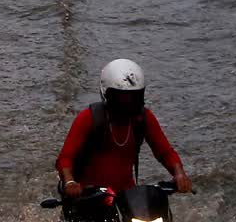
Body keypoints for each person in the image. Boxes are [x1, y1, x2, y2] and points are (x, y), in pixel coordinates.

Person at [55, 59, 192, 210]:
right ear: (107, 95)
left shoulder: (144, 119)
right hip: (88, 197)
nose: (128, 103)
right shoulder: (88, 118)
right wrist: (69, 182)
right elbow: (65, 158)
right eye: (121, 98)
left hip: (127, 198)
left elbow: (165, 152)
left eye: (133, 98)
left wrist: (179, 174)